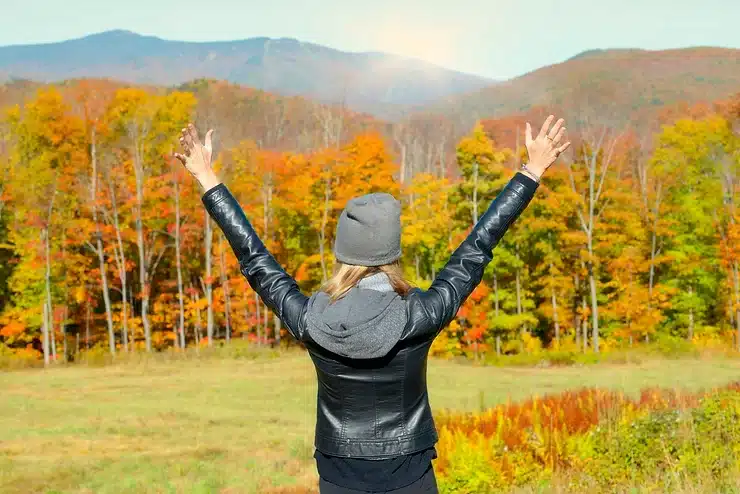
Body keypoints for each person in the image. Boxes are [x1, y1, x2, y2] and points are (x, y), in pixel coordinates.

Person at [174, 116, 570, 493]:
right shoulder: (420, 314)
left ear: (343, 252)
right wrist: (531, 171)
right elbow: (478, 246)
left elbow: (255, 260)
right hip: (410, 473)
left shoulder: (312, 318)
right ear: (392, 251)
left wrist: (207, 177)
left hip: (337, 473)